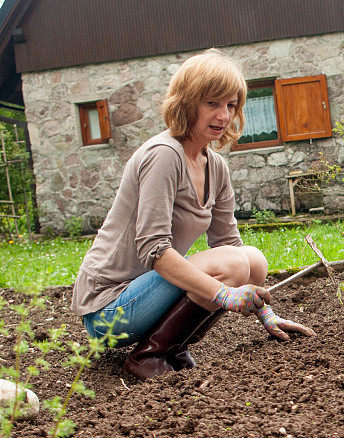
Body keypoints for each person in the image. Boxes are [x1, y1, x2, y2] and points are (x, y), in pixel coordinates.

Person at [71, 49, 314, 380]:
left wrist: (265, 312)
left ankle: (174, 345)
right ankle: (147, 356)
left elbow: (230, 244)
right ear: (187, 102)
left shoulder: (215, 166)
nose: (224, 115)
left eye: (231, 105)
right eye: (212, 103)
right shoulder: (163, 156)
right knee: (233, 264)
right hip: (110, 310)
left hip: (150, 297)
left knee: (252, 259)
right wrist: (224, 294)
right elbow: (153, 249)